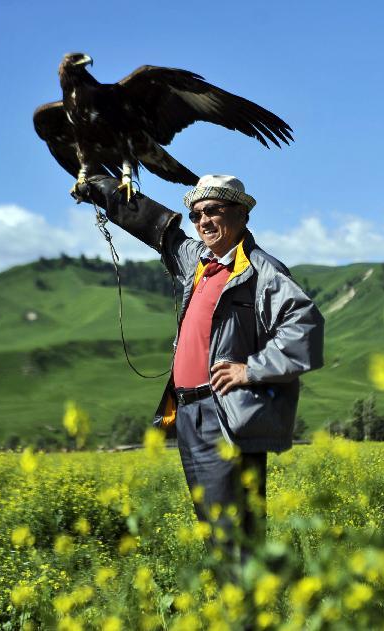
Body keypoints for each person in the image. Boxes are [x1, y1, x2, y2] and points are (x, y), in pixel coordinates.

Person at [75, 173, 324, 567]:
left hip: (225, 414)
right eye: (196, 215)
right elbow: (160, 228)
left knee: (235, 530)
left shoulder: (261, 270)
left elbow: (304, 329)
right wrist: (104, 191)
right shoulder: (198, 260)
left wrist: (250, 370)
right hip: (188, 413)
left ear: (241, 214)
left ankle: (247, 613)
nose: (203, 221)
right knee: (214, 528)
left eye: (214, 211)